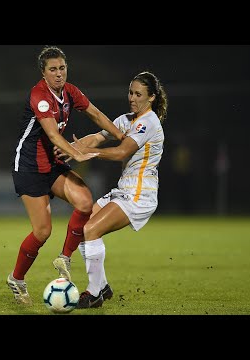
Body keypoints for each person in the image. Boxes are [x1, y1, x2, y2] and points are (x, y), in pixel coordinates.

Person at [6, 45, 126, 306]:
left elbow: (95, 113)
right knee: (42, 231)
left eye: (62, 68)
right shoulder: (39, 95)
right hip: (29, 167)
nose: (59, 73)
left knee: (84, 201)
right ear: (44, 72)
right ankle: (17, 279)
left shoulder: (70, 92)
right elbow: (52, 134)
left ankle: (64, 257)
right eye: (53, 69)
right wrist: (77, 153)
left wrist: (120, 137)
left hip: (52, 163)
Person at [60, 70, 168, 308]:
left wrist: (90, 153)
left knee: (90, 229)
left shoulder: (148, 122)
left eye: (138, 94)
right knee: (80, 229)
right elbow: (98, 137)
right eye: (130, 92)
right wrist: (67, 147)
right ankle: (103, 286)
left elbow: (121, 151)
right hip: (124, 190)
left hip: (140, 194)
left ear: (151, 98)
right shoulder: (127, 119)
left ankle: (94, 293)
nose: (132, 98)